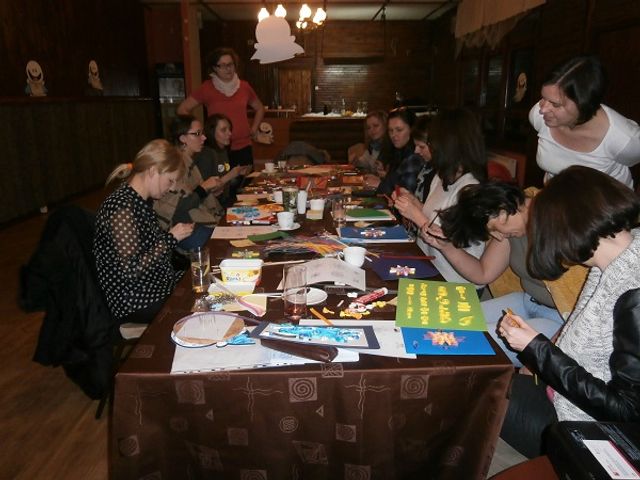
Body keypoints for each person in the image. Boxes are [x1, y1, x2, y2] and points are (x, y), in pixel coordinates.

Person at [499, 166, 640, 458]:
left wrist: (537, 350)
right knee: (492, 383)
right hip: (562, 393)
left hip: (595, 431)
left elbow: (626, 412)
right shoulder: (616, 258)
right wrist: (538, 352)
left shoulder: (633, 294)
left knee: (482, 398)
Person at [427, 181, 564, 365]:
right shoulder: (512, 224)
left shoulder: (558, 221)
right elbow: (483, 273)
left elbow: (583, 304)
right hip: (527, 301)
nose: (497, 236)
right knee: (442, 323)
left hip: (562, 320)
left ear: (503, 211)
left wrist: (550, 357)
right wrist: (447, 247)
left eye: (493, 229)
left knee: (458, 343)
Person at [94, 139, 194, 324]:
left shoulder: (138, 201)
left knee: (200, 278)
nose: (172, 188)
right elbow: (131, 270)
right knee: (198, 300)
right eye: (170, 180)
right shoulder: (121, 207)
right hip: (136, 301)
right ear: (153, 171)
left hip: (154, 286)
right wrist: (171, 238)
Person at [393, 108, 488, 286]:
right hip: (427, 267)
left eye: (430, 143)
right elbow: (438, 218)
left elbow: (457, 247)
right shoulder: (441, 176)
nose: (420, 150)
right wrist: (415, 204)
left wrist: (416, 215)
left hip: (453, 282)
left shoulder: (472, 189)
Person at [530, 55, 640, 188]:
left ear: (583, 105)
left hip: (605, 200)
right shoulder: (539, 116)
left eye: (556, 104)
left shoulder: (625, 139)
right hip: (556, 198)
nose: (542, 109)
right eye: (543, 97)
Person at [177, 47, 266, 169]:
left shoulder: (244, 87)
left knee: (247, 180)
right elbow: (182, 109)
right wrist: (201, 129)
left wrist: (254, 129)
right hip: (217, 149)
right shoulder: (207, 88)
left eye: (230, 64)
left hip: (243, 146)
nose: (228, 68)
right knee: (222, 180)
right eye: (223, 65)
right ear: (215, 68)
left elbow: (260, 108)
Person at [154, 115, 225, 229]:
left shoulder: (188, 160)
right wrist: (204, 188)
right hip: (184, 227)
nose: (204, 137)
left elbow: (193, 195)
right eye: (197, 134)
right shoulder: (176, 163)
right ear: (183, 138)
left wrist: (208, 191)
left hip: (193, 222)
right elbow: (177, 208)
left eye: (202, 133)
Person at [195, 113, 251, 207]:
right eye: (223, 130)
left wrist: (237, 174)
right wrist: (231, 174)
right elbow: (206, 190)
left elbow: (224, 182)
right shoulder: (206, 154)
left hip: (224, 201)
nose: (229, 133)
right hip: (213, 207)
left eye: (229, 129)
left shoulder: (223, 150)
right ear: (212, 132)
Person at [366, 107, 420, 195]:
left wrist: (380, 184)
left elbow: (405, 194)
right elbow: (394, 182)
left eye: (399, 130)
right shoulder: (397, 151)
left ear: (412, 130)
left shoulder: (415, 156)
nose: (393, 135)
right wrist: (382, 179)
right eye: (390, 130)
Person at [349, 110, 391, 174]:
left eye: (376, 125)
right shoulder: (373, 145)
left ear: (386, 126)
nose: (372, 130)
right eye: (369, 128)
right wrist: (356, 161)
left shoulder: (393, 146)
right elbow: (365, 162)